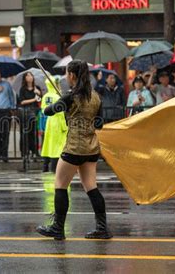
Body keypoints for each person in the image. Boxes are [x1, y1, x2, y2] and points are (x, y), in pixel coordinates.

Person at [36, 59, 111, 240]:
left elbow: (48, 111)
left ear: (72, 75)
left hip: (74, 148)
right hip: (91, 148)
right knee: (91, 187)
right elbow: (99, 123)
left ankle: (57, 228)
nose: (66, 76)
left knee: (60, 186)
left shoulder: (70, 97)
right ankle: (102, 228)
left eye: (67, 73)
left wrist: (61, 102)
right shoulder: (95, 97)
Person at [40, 77, 67, 173]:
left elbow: (43, 110)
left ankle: (45, 166)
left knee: (48, 144)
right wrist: (65, 126)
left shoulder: (45, 96)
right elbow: (63, 112)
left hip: (49, 122)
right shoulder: (57, 97)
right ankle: (55, 168)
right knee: (58, 146)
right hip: (58, 123)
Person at [18, 71, 42, 159]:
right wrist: (33, 99)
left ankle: (35, 151)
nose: (29, 77)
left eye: (31, 75)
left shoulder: (37, 88)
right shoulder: (23, 89)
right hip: (25, 113)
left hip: (35, 113)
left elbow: (39, 100)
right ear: (25, 78)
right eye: (27, 76)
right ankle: (25, 152)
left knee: (34, 133)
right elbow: (22, 101)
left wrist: (38, 93)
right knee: (25, 133)